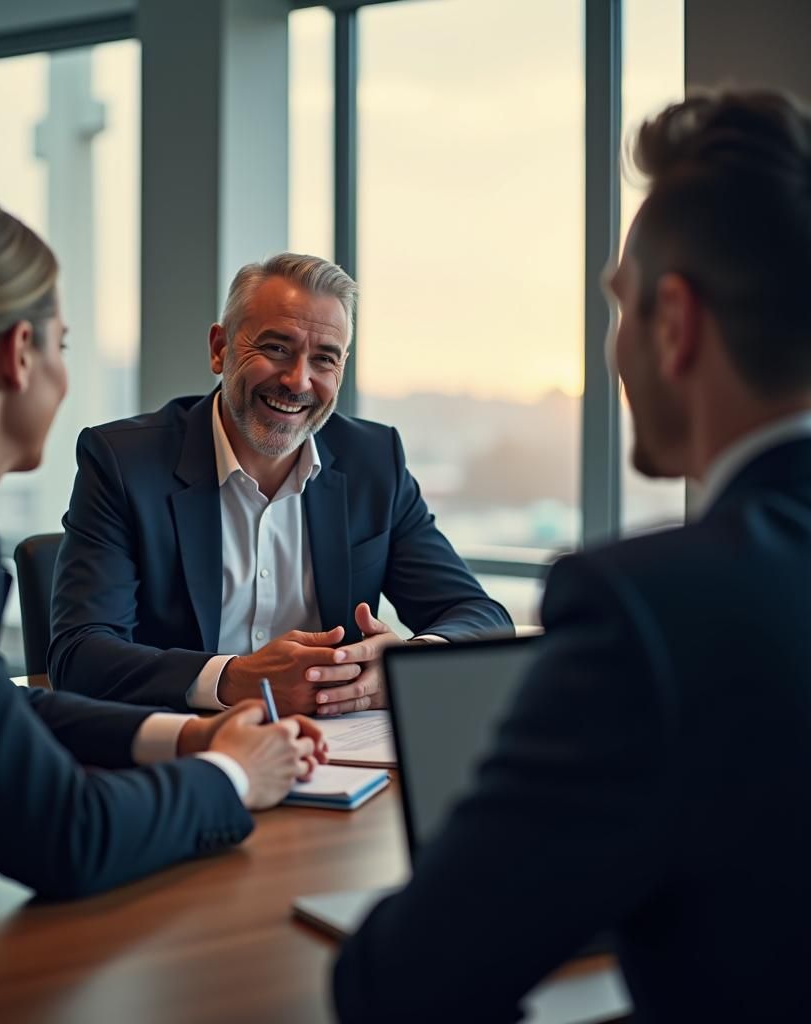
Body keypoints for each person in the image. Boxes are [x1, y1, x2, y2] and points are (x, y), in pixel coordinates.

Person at [333, 89, 811, 1022]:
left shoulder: (651, 611)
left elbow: (403, 985)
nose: (614, 346)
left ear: (674, 323)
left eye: (619, 307)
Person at [0, 192, 326, 908]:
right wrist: (232, 776)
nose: (64, 375)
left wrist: (191, 738)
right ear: (18, 353)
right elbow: (62, 835)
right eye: (63, 345)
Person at [49, 253, 512, 716]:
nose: (298, 381)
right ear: (220, 348)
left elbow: (481, 617)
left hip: (338, 755)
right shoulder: (124, 462)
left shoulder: (374, 461)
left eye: (324, 359)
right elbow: (80, 655)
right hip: (182, 756)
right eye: (275, 348)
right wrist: (235, 679)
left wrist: (402, 664)